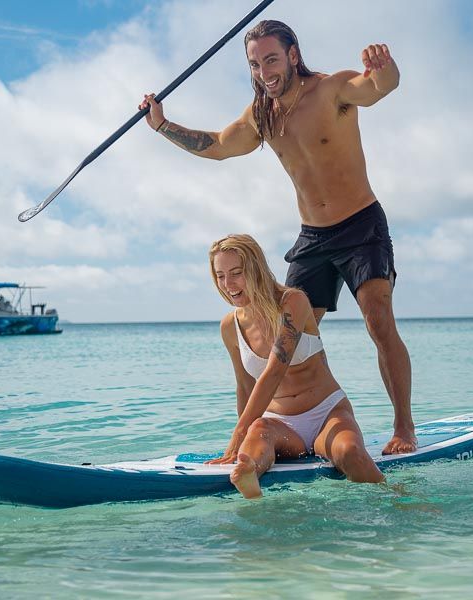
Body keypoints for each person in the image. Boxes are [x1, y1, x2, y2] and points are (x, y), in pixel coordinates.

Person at [139, 20, 416, 455]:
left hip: (362, 226)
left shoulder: (331, 89)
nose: (263, 71)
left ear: (292, 54)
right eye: (254, 63)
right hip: (313, 237)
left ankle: (404, 428)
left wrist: (384, 69)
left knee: (378, 320)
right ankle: (284, 430)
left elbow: (377, 87)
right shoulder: (262, 115)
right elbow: (217, 145)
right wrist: (161, 125)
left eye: (270, 59)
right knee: (282, 334)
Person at [207, 234, 384, 499]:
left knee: (350, 453)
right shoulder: (230, 327)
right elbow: (245, 385)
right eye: (220, 275)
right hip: (281, 424)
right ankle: (250, 480)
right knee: (255, 445)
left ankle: (394, 498)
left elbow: (275, 370)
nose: (228, 284)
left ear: (255, 269)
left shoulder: (293, 302)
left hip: (327, 412)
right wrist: (240, 443)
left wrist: (239, 431)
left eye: (236, 273)